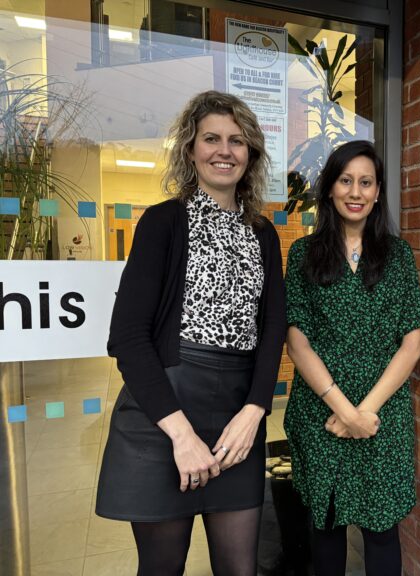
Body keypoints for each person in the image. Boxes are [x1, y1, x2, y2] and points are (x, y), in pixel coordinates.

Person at [96, 90, 286, 575]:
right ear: (191, 150)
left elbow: (272, 330)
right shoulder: (164, 222)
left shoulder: (263, 233)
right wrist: (181, 435)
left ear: (251, 155)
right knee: (162, 568)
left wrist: (255, 409)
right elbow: (129, 337)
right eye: (212, 139)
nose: (225, 150)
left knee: (240, 569)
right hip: (164, 416)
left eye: (237, 141)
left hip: (235, 419)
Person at [284, 140, 420, 576]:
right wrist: (344, 412)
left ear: (378, 191)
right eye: (346, 180)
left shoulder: (399, 256)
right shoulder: (303, 255)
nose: (356, 191)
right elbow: (297, 341)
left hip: (380, 414)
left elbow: (412, 343)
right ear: (329, 189)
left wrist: (363, 413)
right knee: (326, 528)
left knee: (381, 529)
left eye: (366, 182)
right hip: (322, 411)